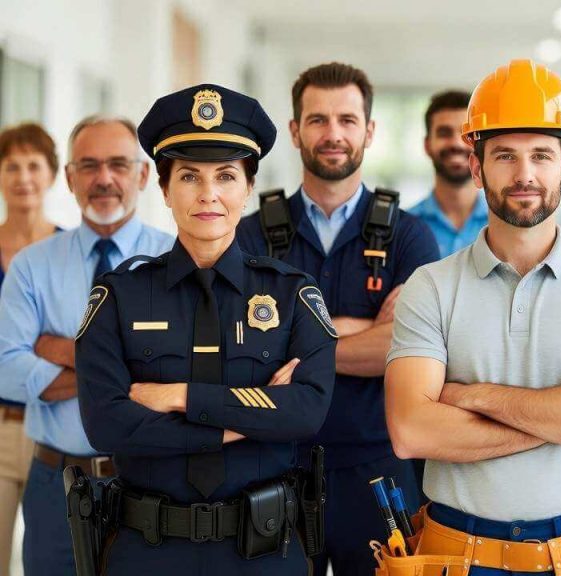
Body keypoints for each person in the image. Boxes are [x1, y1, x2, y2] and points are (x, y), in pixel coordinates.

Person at [384, 59, 561, 575]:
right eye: (505, 156)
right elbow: (412, 431)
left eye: (541, 156)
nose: (525, 174)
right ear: (477, 167)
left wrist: (471, 397)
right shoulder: (430, 286)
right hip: (455, 555)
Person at [75, 84, 336, 575]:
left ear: (248, 188)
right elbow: (107, 425)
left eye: (226, 176)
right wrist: (250, 421)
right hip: (146, 550)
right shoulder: (118, 297)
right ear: (164, 188)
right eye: (190, 176)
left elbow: (304, 412)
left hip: (265, 550)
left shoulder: (292, 295)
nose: (209, 194)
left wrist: (178, 396)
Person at [236, 62, 438, 576]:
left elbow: (408, 351)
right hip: (271, 467)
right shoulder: (250, 236)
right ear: (295, 131)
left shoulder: (409, 237)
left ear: (369, 131)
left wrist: (296, 346)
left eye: (347, 120)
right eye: (318, 120)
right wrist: (361, 331)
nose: (333, 135)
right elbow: (242, 352)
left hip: (378, 469)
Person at [0, 115, 173, 576]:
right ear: (71, 178)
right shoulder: (31, 267)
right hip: (55, 482)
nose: (104, 179)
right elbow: (7, 368)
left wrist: (54, 348)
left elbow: (183, 372)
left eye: (118, 164)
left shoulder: (177, 261)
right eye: (90, 166)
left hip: (150, 482)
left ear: (141, 175)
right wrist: (126, 369)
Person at [0, 122, 62, 574]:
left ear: (52, 174)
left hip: (56, 429)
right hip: (1, 429)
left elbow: (81, 341)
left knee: (53, 560)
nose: (23, 177)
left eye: (33, 165)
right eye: (11, 166)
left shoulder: (70, 251)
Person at [408, 90, 488, 258]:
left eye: (466, 135)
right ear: (427, 145)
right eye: (444, 133)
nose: (456, 143)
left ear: (480, 145)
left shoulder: (504, 224)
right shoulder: (404, 226)